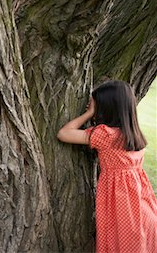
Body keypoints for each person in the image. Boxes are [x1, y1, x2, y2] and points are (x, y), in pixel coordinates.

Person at [57, 80, 157, 253]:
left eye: (95, 105)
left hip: (122, 206)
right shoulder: (133, 135)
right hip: (142, 209)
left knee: (121, 245)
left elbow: (63, 133)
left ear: (107, 108)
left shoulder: (106, 135)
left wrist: (88, 114)